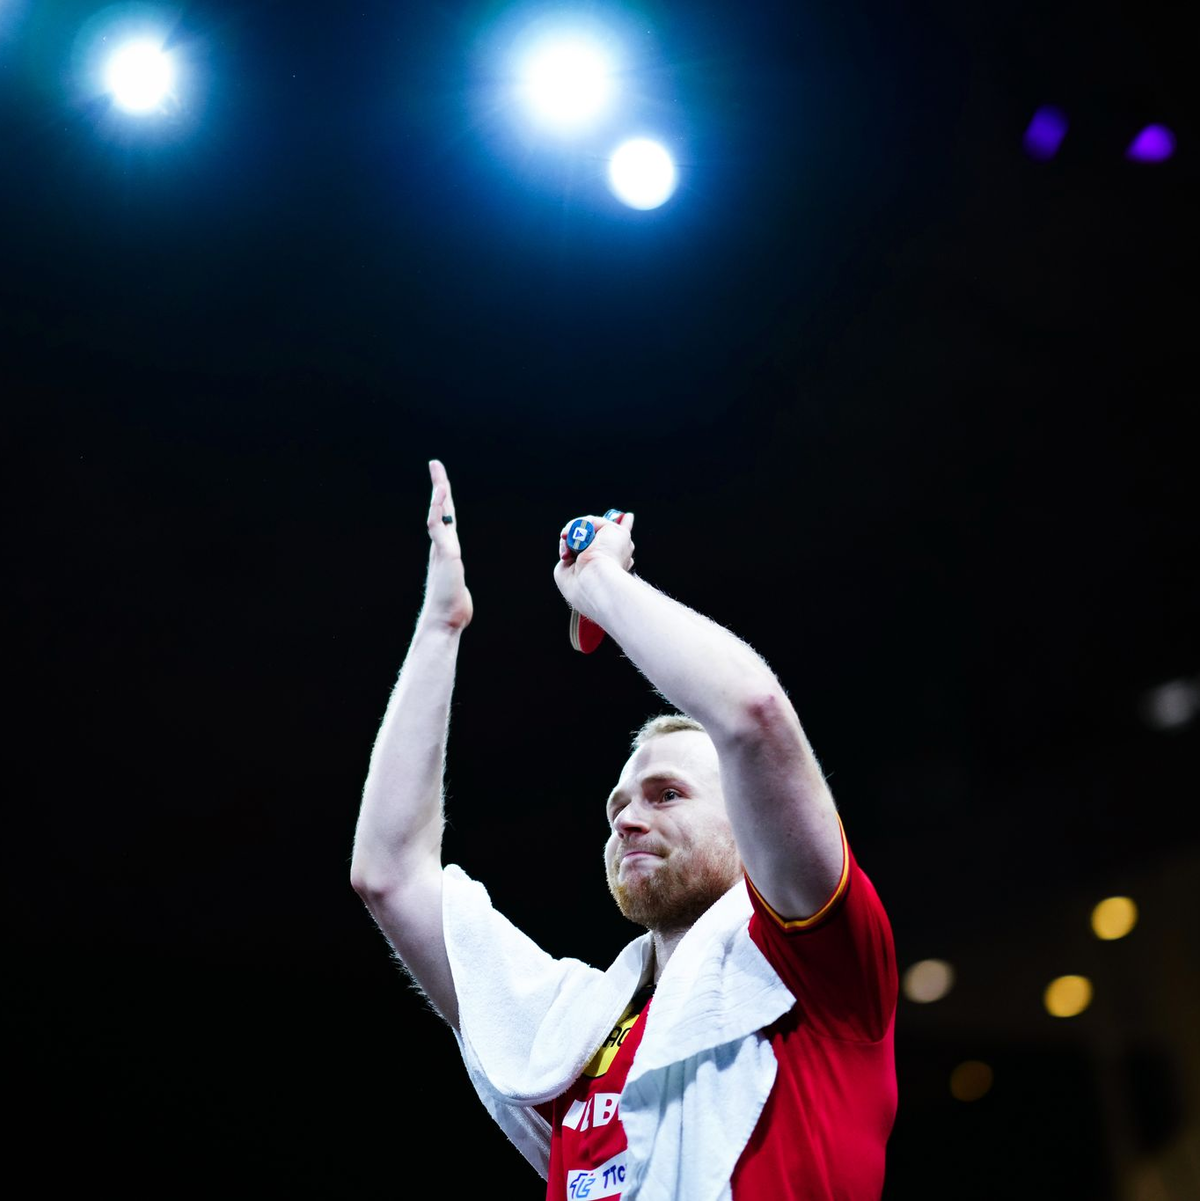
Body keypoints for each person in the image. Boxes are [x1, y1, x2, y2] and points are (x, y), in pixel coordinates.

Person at [351, 459, 898, 1201]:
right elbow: (389, 873)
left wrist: (602, 584)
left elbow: (752, 715)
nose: (629, 817)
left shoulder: (821, 966)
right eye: (617, 807)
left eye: (667, 793)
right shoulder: (571, 1040)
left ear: (753, 827)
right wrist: (439, 625)